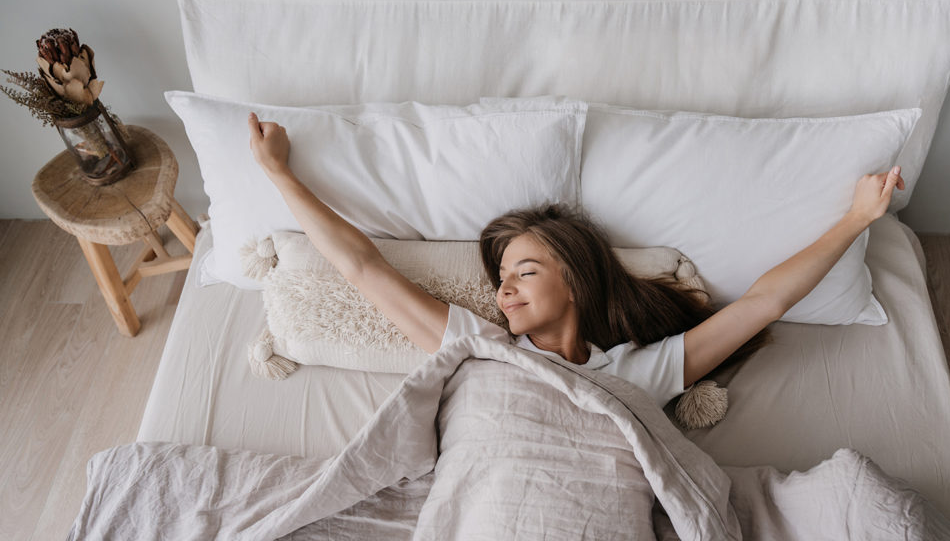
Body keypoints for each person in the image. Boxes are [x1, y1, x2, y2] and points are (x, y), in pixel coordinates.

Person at [248, 112, 905, 407]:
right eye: (502, 280)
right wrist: (279, 176)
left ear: (577, 281)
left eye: (524, 272)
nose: (503, 294)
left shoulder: (641, 373)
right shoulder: (476, 346)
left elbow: (766, 303)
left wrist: (855, 219)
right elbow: (364, 269)